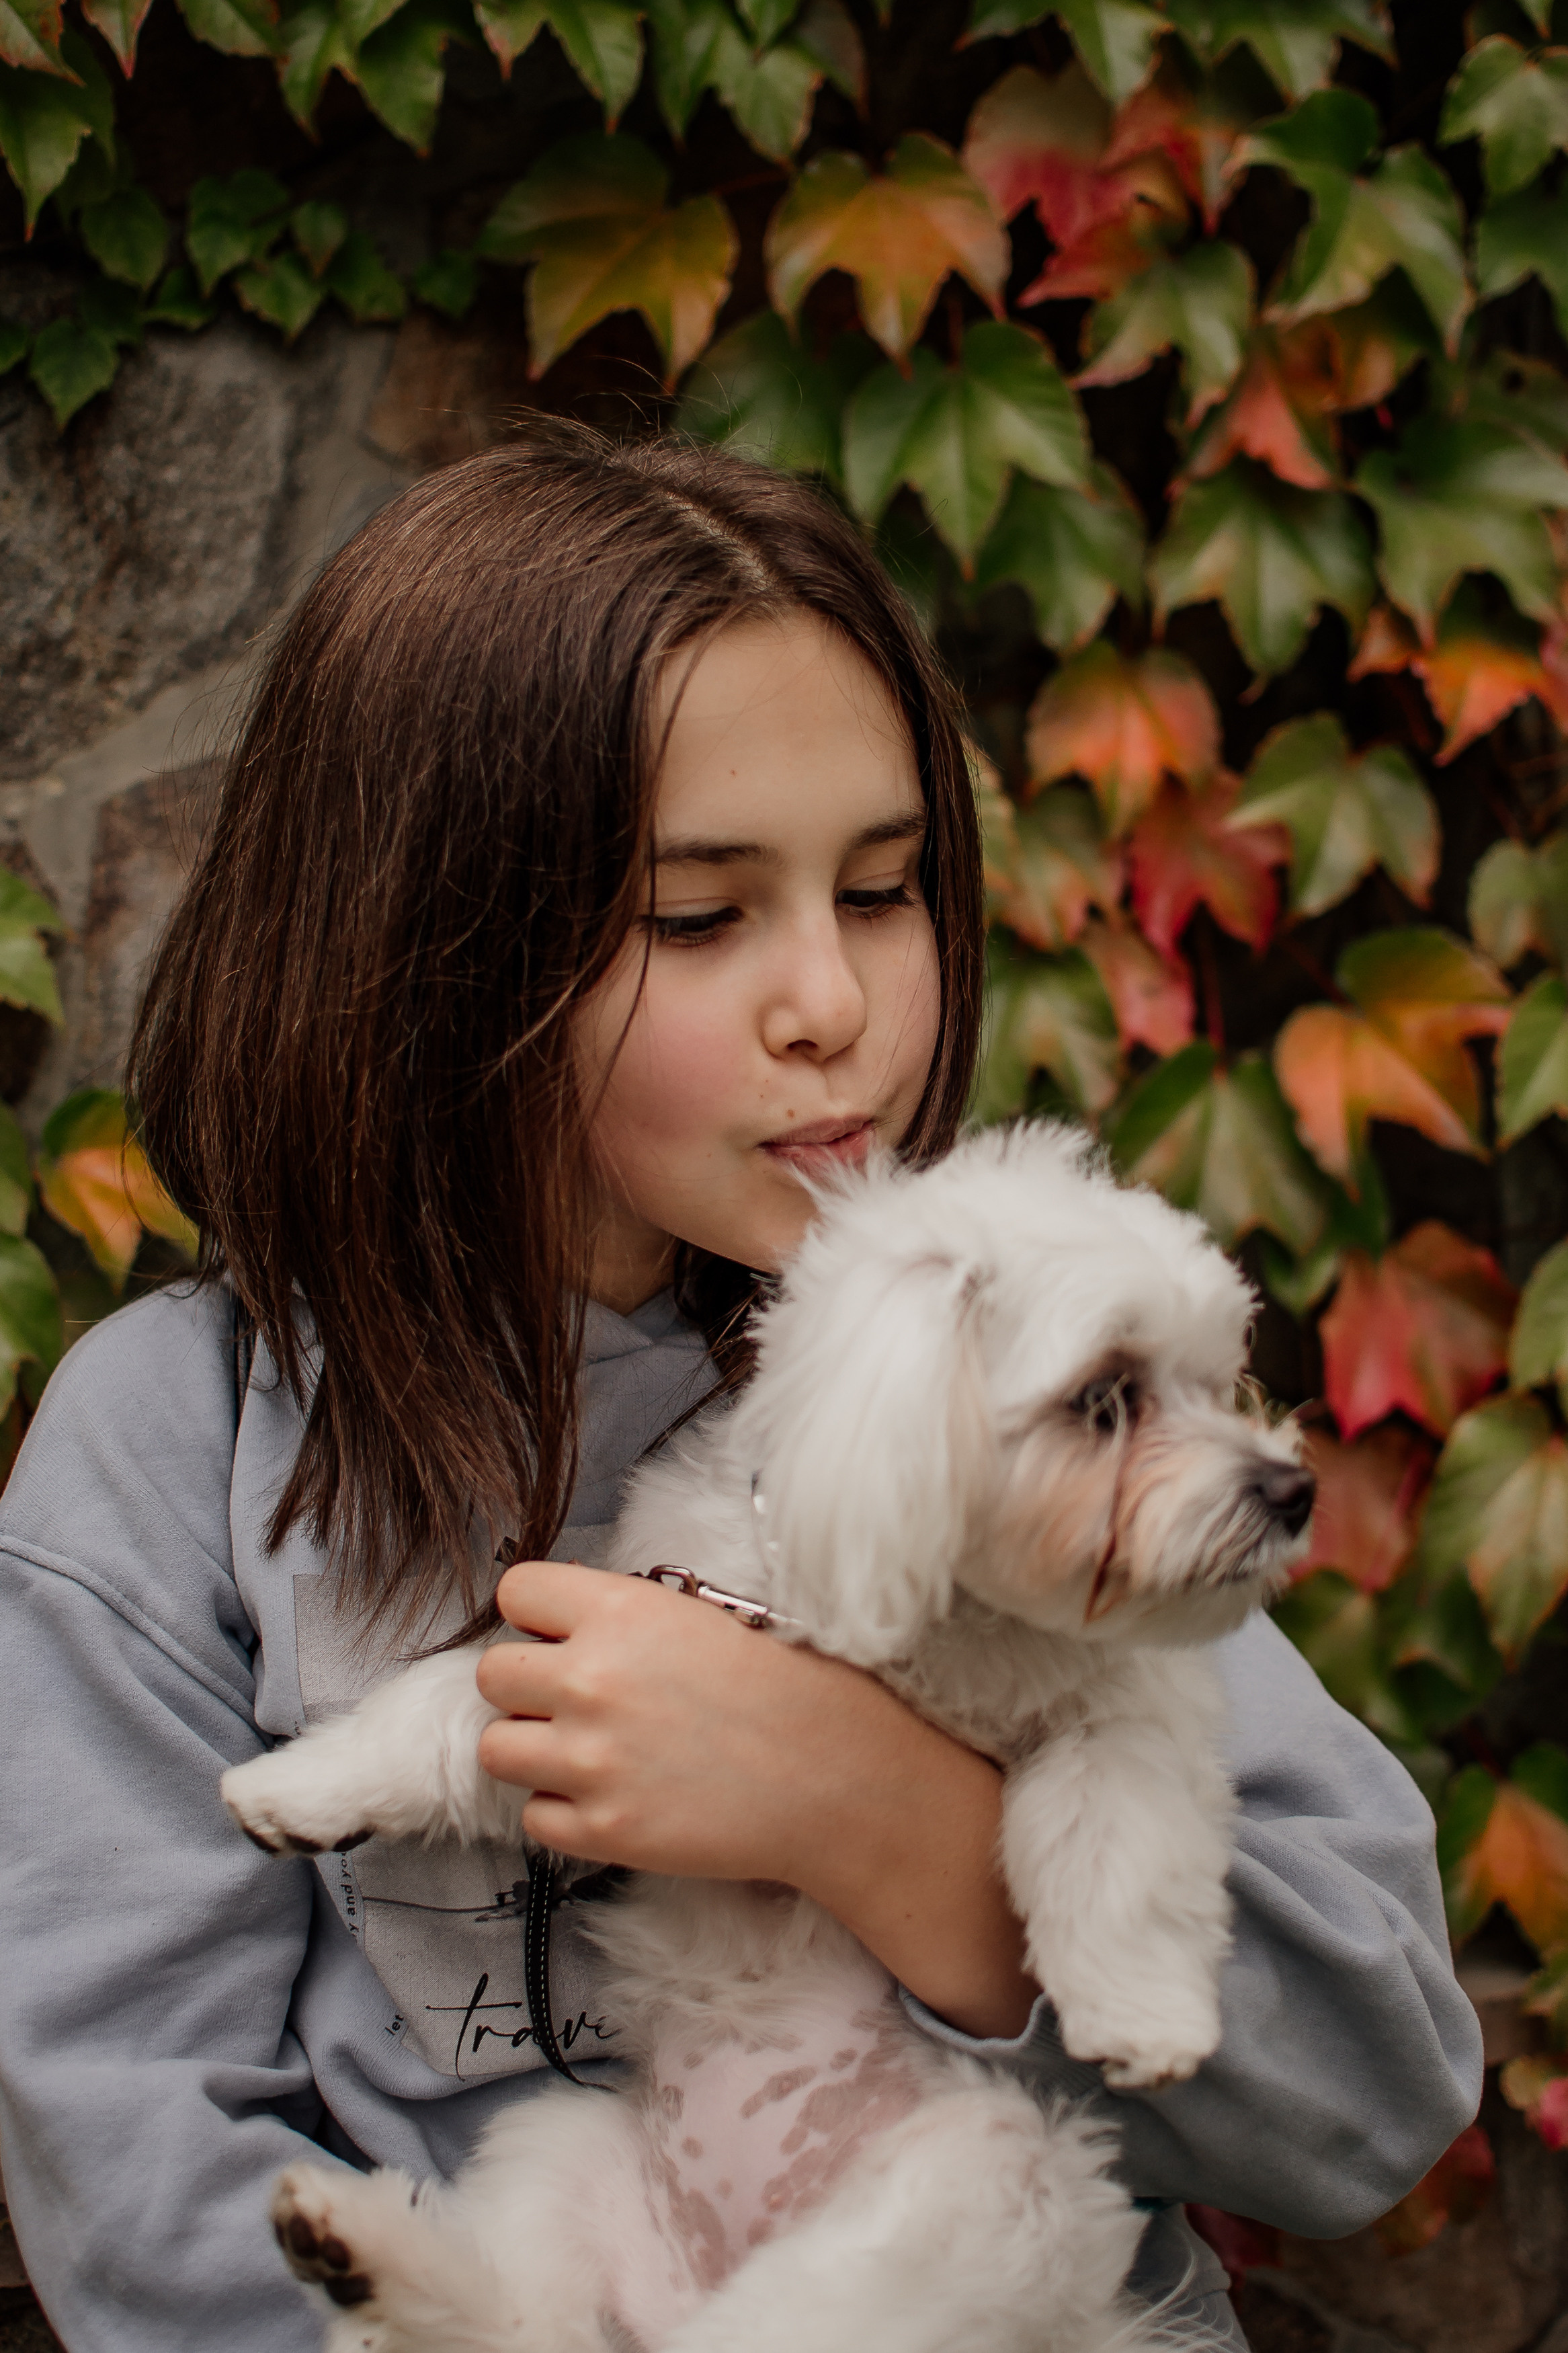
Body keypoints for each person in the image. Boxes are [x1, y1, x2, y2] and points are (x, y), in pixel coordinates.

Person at [0, 430, 1481, 2353]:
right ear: (432, 951)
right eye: (702, 917)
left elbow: (1375, 2082)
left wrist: (871, 1810)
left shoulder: (992, 1380)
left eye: (882, 889)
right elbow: (145, 2174)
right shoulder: (174, 1449)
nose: (834, 1001)